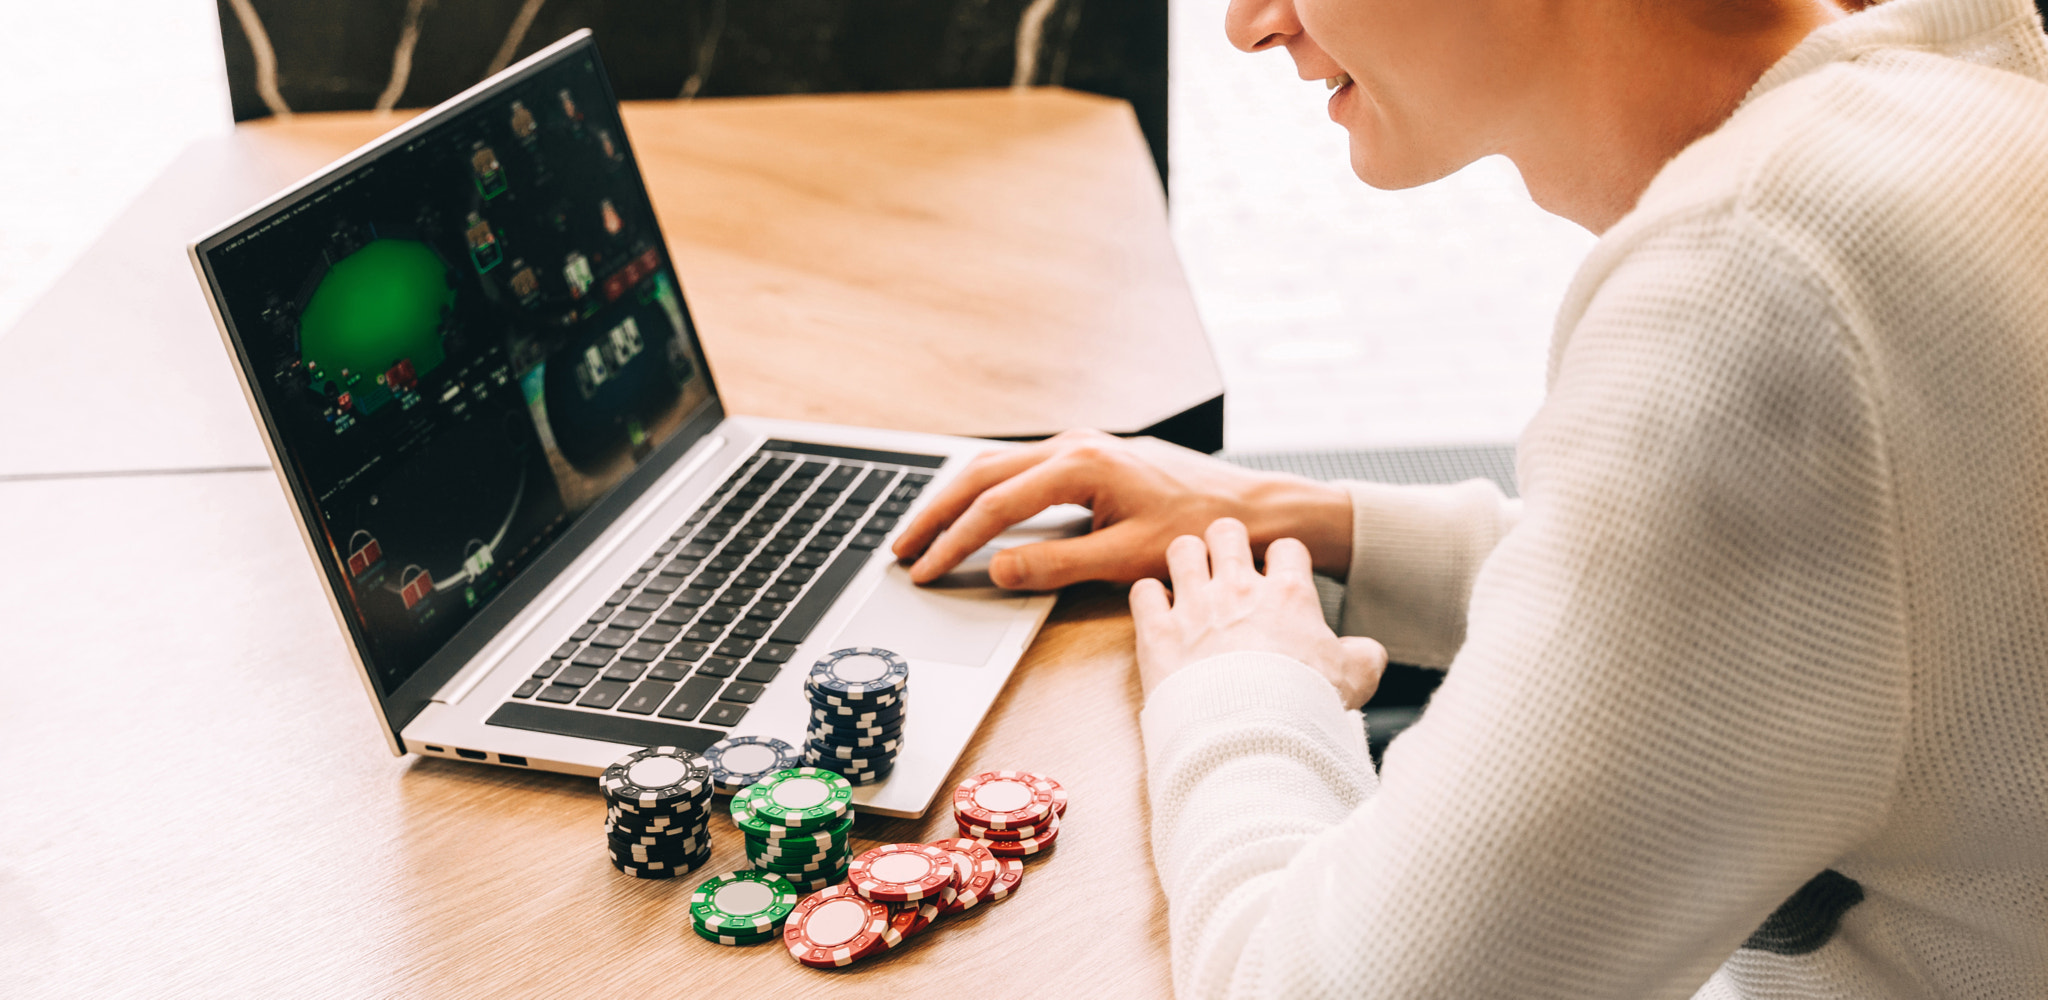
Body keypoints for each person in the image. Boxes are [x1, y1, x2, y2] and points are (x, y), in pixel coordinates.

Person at [891, 0, 2048, 994]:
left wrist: (1238, 683)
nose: (1248, 24)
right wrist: (1323, 526)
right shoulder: (1954, 101)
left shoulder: (1756, 290)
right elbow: (1823, 611)